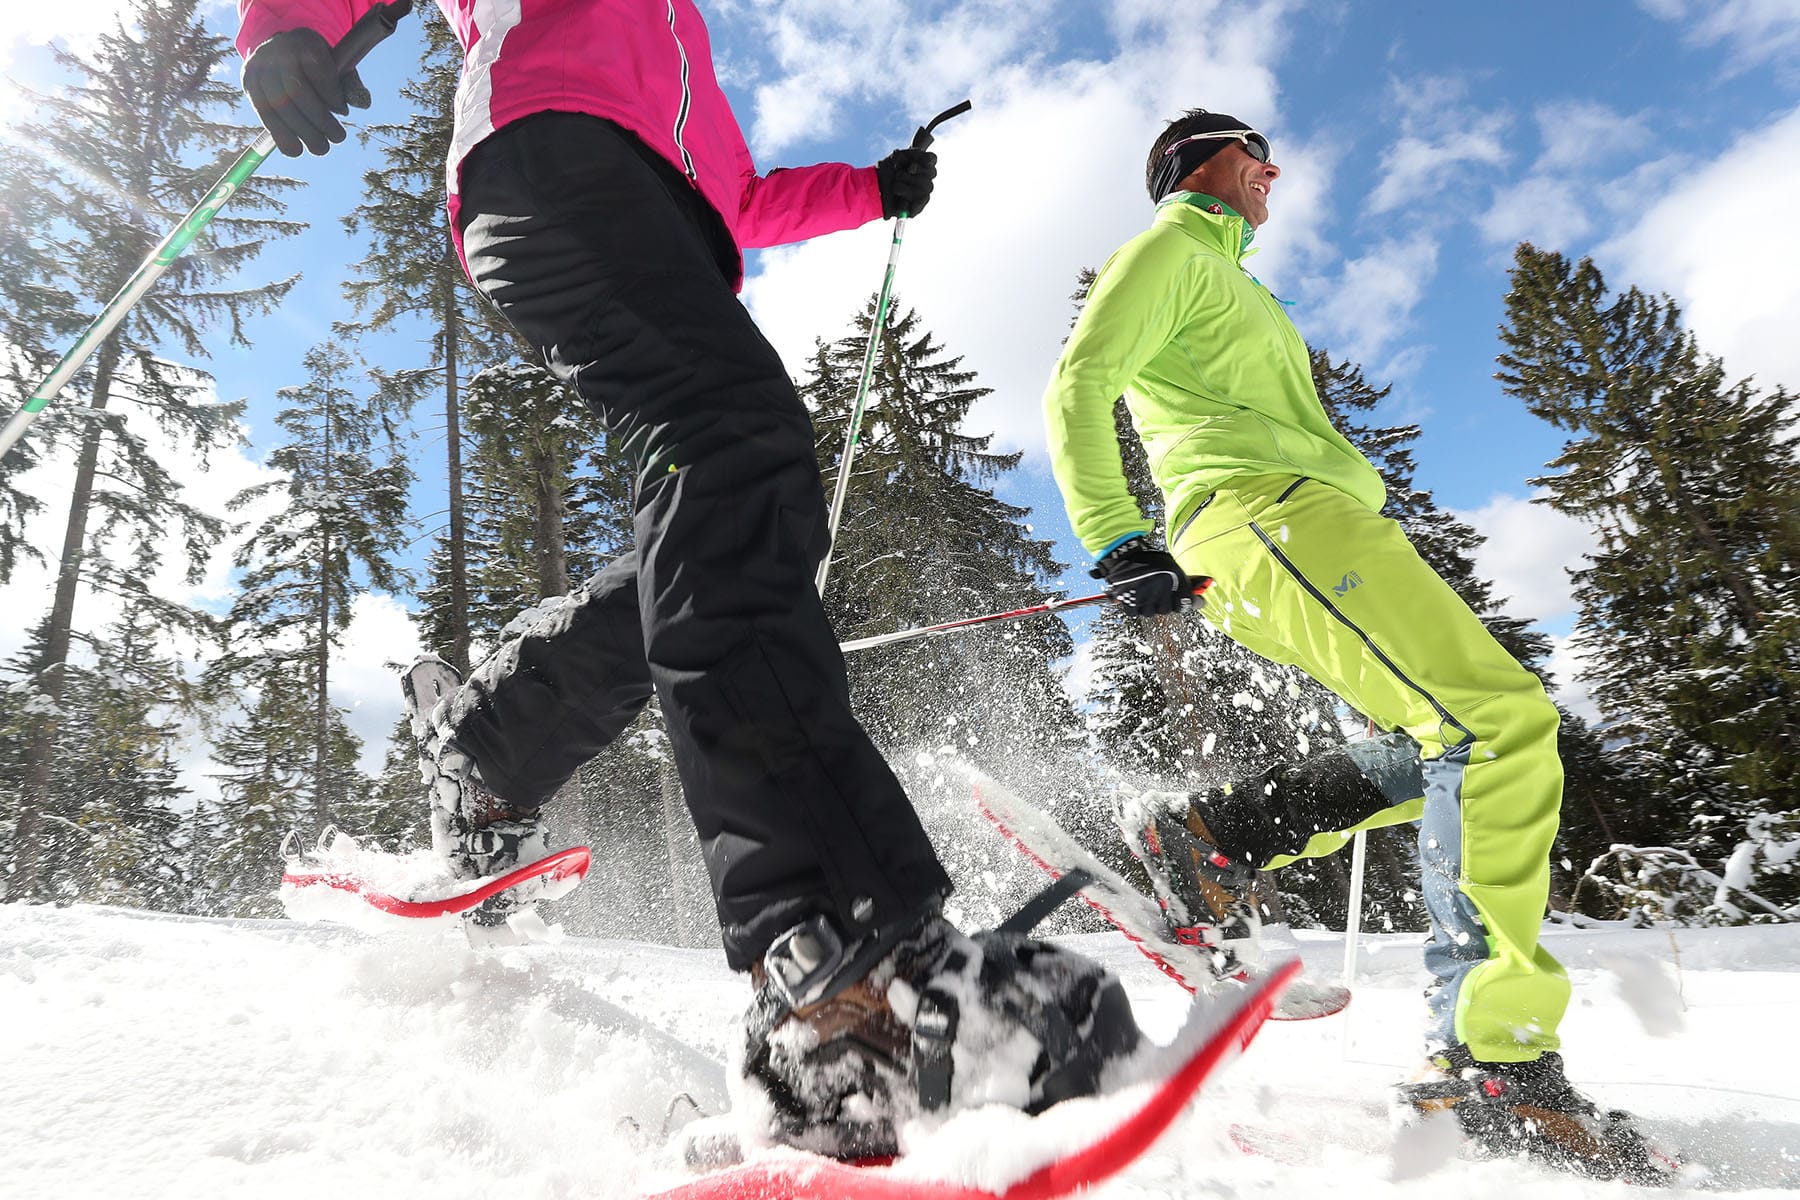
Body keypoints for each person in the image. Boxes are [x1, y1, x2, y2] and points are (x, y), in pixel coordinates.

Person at [235, 0, 1139, 1157]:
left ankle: (499, 744)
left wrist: (871, 188)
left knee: (728, 524)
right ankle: (840, 980)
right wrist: (282, 28)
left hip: (661, 226)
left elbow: (745, 197)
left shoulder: (686, 51)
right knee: (734, 450)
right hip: (546, 160)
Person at [1041, 108, 1662, 1180]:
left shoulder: (1237, 281)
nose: (1275, 175)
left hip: (1308, 522)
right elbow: (1079, 383)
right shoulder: (1170, 250)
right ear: (1206, 163)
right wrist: (1114, 535)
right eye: (1258, 156)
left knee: (1450, 745)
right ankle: (1489, 1062)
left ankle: (1217, 837)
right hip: (1269, 519)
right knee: (1499, 724)